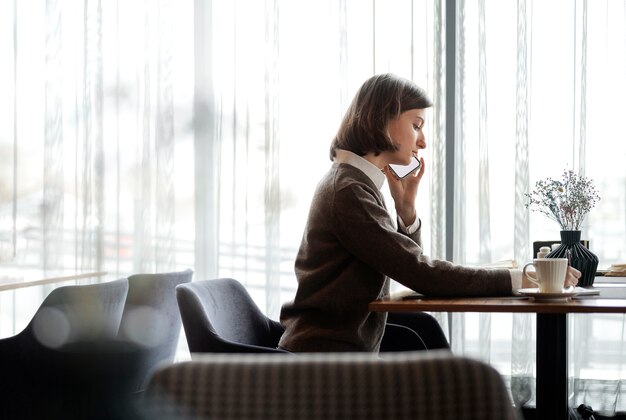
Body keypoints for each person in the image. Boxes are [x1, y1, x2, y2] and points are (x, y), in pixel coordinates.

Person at [278, 73, 581, 353]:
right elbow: (421, 273)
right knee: (465, 383)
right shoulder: (348, 190)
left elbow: (409, 266)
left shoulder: (351, 183)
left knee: (445, 365)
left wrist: (406, 211)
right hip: (324, 359)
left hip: (341, 351)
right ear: (382, 119)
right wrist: (522, 278)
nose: (422, 141)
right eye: (416, 125)